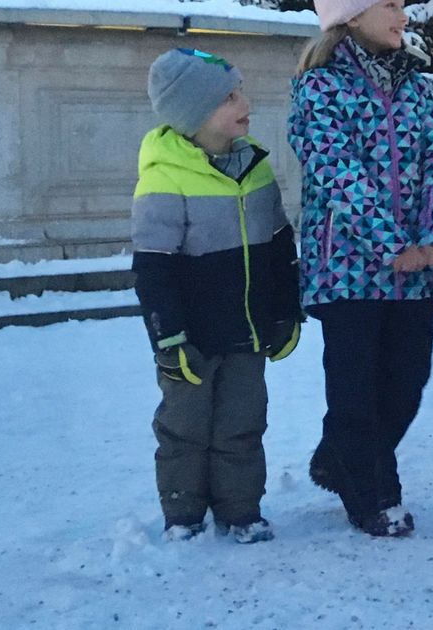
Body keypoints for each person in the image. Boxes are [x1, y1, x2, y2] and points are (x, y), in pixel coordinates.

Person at [288, 0, 433, 538]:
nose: (401, 16)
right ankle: (375, 496)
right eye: (389, 5)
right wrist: (390, 245)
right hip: (348, 271)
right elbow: (337, 174)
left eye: (401, 5)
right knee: (356, 389)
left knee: (406, 383)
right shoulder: (319, 89)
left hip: (416, 270)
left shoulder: (414, 87)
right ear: (351, 15)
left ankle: (342, 459)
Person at [132, 47, 301, 543]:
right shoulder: (165, 177)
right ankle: (183, 515)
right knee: (184, 428)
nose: (244, 101)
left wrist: (286, 311)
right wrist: (169, 339)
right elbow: (153, 269)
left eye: (240, 89)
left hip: (247, 332)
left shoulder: (257, 168)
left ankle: (240, 509)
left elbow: (279, 246)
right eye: (229, 96)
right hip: (192, 337)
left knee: (243, 424)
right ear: (194, 115)